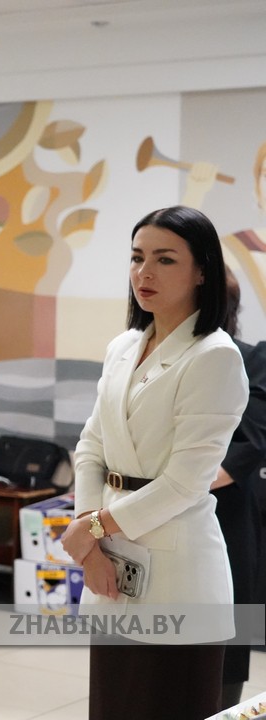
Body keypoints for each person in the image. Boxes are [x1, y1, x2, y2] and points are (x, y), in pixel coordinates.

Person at [60, 206, 249, 720]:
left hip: (177, 572)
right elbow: (90, 446)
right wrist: (90, 540)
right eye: (137, 257)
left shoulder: (214, 355)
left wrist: (93, 527)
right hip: (109, 560)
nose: (144, 272)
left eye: (165, 260)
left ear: (202, 271)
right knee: (112, 706)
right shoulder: (123, 346)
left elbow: (186, 483)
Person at [214, 268, 266, 708]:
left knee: (224, 634)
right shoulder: (138, 354)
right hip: (150, 516)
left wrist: (167, 489)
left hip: (224, 512)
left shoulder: (250, 359)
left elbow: (248, 446)